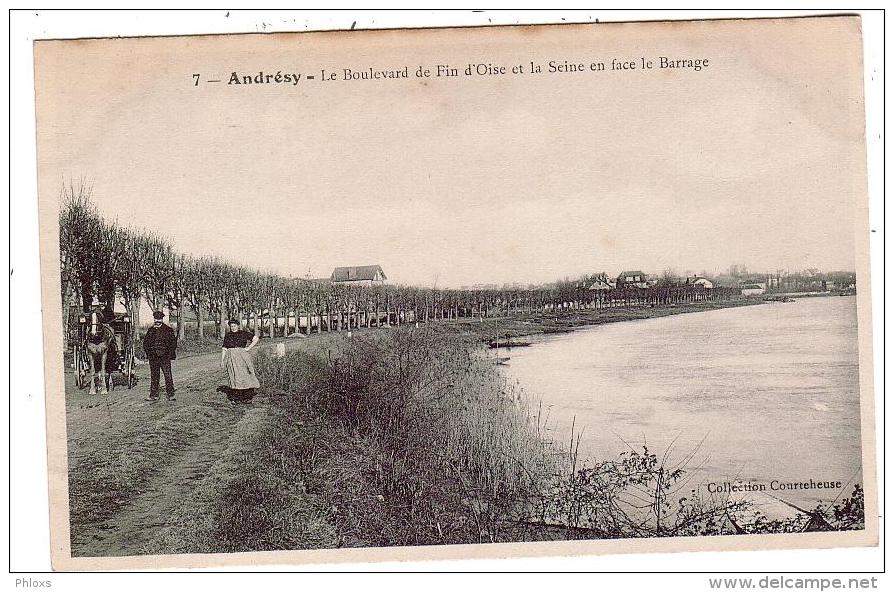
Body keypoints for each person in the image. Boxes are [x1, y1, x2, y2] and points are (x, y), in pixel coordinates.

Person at [221, 319, 260, 402]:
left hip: (242, 357)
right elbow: (224, 348)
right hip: (231, 357)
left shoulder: (243, 333)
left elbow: (256, 338)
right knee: (234, 376)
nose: (233, 328)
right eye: (231, 326)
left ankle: (247, 397)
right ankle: (236, 398)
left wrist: (248, 348)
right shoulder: (228, 335)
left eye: (234, 326)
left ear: (238, 326)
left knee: (245, 375)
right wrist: (222, 360)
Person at [142, 310, 177, 402]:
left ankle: (171, 394)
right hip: (153, 358)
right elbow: (145, 343)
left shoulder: (168, 330)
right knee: (154, 376)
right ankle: (154, 395)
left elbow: (173, 344)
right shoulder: (150, 330)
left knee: (167, 375)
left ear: (162, 319)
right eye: (156, 319)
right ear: (154, 319)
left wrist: (168, 354)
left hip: (164, 357)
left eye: (159, 319)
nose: (157, 321)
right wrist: (149, 354)